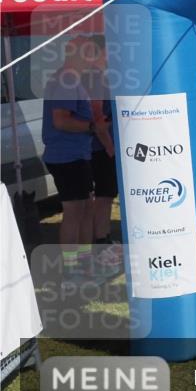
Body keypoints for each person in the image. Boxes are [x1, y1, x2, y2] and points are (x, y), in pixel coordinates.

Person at [42, 37, 102, 250]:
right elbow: (61, 120)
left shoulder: (72, 79)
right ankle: (73, 266)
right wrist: (92, 127)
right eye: (88, 54)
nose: (92, 60)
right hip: (67, 156)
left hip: (75, 155)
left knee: (84, 208)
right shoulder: (66, 79)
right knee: (75, 211)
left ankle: (83, 262)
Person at [80, 37, 117, 246]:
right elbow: (97, 117)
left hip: (100, 146)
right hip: (99, 148)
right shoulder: (94, 77)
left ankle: (103, 238)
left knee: (106, 195)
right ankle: (101, 239)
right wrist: (110, 148)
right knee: (102, 197)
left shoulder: (99, 76)